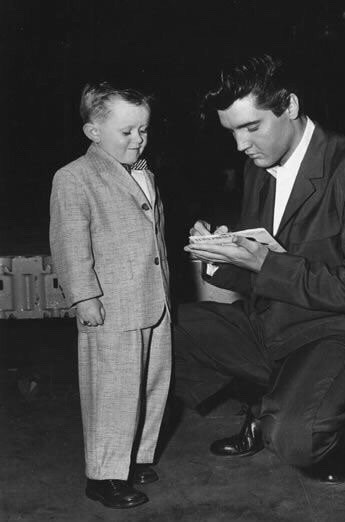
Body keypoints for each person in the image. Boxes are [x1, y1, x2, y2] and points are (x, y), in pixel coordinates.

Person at [174, 54, 345, 483]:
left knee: (295, 441)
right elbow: (259, 276)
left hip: (336, 334)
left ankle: (334, 427)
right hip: (272, 326)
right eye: (232, 132)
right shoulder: (257, 168)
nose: (241, 145)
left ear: (291, 107)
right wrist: (219, 257)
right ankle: (267, 402)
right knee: (153, 331)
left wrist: (266, 262)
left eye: (251, 127)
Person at [49, 82, 171, 508]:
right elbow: (69, 243)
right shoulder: (74, 178)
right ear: (93, 132)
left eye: (144, 130)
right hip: (110, 304)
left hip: (152, 299)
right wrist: (84, 297)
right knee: (112, 391)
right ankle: (103, 475)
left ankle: (134, 458)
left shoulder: (144, 172)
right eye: (126, 132)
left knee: (151, 384)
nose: (138, 139)